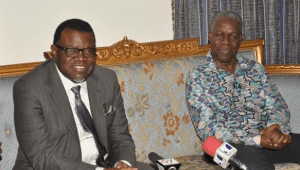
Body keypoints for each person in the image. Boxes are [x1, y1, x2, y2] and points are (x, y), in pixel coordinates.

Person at [13, 19, 154, 170]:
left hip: (103, 165)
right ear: (54, 52)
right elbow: (43, 156)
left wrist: (123, 164)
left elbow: (120, 136)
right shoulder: (29, 88)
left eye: (88, 51)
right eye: (71, 51)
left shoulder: (107, 79)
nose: (81, 59)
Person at [186, 11, 300, 170]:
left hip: (267, 141)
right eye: (220, 35)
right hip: (229, 146)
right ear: (210, 37)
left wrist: (276, 131)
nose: (226, 41)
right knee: (255, 166)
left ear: (240, 40)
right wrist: (257, 139)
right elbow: (207, 129)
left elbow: (278, 106)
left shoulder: (255, 70)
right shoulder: (198, 76)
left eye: (232, 36)